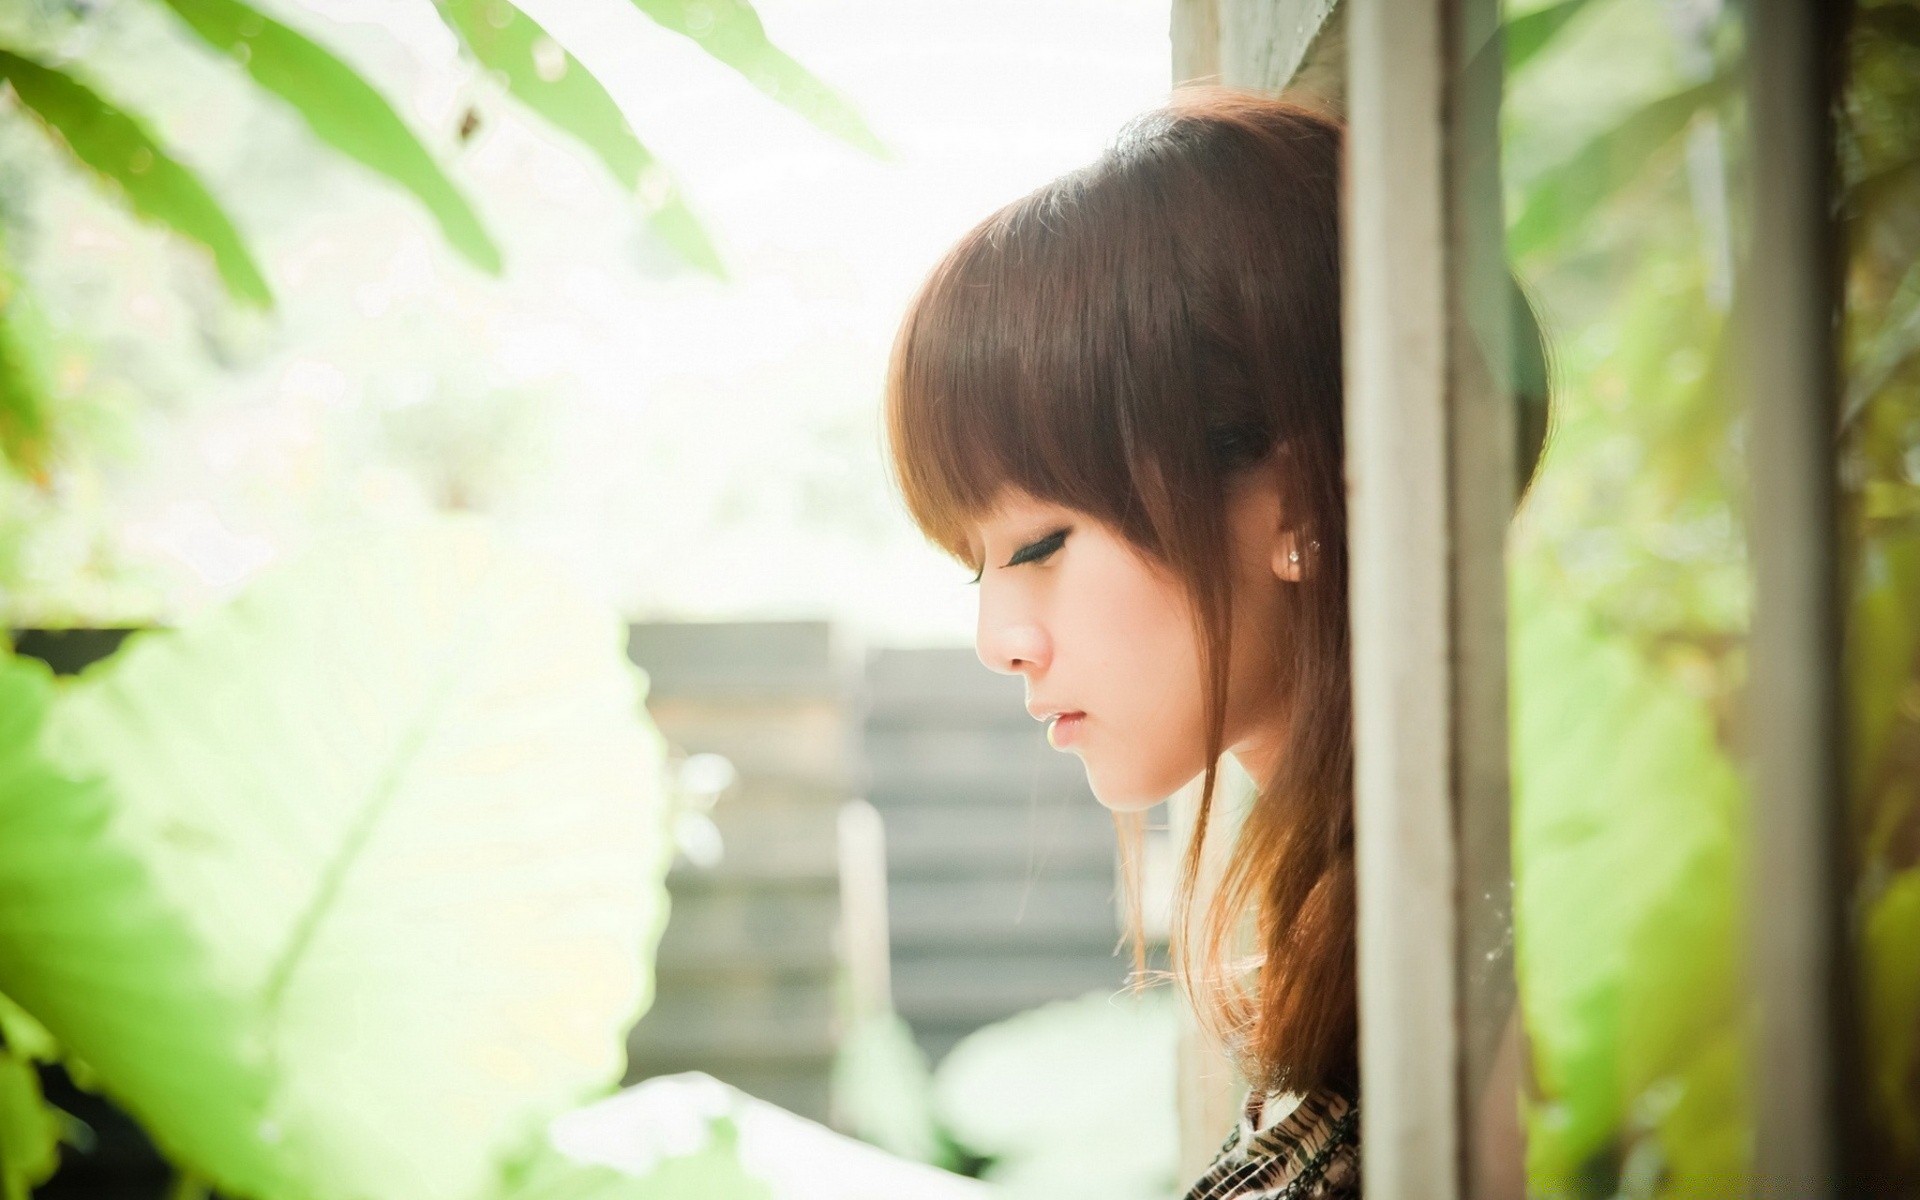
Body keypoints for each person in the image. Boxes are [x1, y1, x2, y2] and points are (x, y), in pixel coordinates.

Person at [883, 87, 1548, 1199]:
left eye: (1041, 542)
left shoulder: (1498, 995)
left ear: (1294, 501)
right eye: (976, 564)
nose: (1000, 638)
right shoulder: (1386, 938)